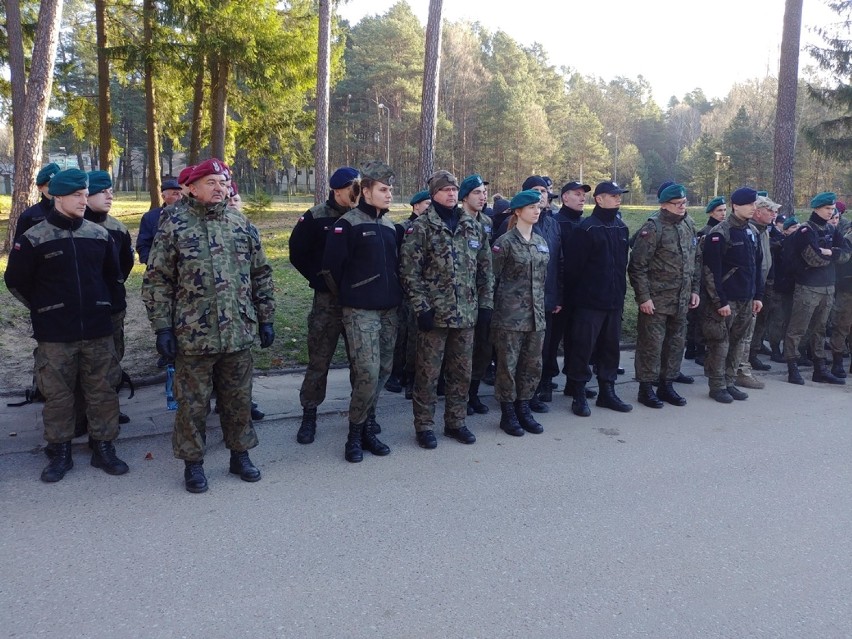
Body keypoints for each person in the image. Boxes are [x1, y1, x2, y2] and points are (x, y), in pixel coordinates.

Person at [142, 158, 275, 493]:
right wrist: (163, 329)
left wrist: (267, 317)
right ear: (194, 187)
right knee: (193, 404)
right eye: (212, 182)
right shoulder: (174, 224)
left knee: (238, 399)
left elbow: (260, 273)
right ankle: (194, 464)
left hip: (237, 331)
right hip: (194, 334)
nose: (220, 188)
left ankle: (240, 454)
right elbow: (158, 280)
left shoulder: (239, 223)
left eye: (224, 182)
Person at [5, 168, 129, 482]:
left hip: (97, 330)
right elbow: (17, 281)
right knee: (58, 396)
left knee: (102, 391)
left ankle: (103, 447)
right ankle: (60, 451)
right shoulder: (35, 237)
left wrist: (105, 306)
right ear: (57, 196)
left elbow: (113, 277)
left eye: (85, 194)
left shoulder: (99, 234)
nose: (83, 200)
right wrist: (45, 309)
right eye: (76, 195)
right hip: (56, 333)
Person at [400, 169, 494, 449]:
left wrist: (486, 305)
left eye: (454, 189)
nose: (452, 193)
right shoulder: (421, 227)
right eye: (445, 190)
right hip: (434, 316)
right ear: (434, 194)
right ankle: (424, 425)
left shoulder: (472, 225)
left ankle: (456, 421)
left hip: (466, 315)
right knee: (428, 374)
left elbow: (485, 269)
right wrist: (421, 307)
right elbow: (409, 272)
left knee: (461, 373)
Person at [321, 160, 401, 463]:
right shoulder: (348, 224)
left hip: (388, 311)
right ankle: (354, 435)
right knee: (366, 372)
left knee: (382, 371)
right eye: (383, 189)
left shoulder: (390, 225)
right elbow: (331, 269)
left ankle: (369, 427)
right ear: (366, 190)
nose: (389, 194)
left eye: (390, 189)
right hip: (360, 311)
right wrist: (353, 294)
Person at [288, 167, 360, 444]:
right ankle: (309, 414)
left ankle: (363, 415)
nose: (355, 193)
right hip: (327, 303)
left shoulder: (363, 216)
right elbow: (297, 253)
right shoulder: (315, 217)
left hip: (358, 302)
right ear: (337, 190)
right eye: (351, 188)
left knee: (361, 363)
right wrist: (320, 279)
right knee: (319, 361)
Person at [563, 181, 633, 416]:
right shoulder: (587, 229)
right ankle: (578, 391)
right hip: (589, 303)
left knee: (610, 348)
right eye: (613, 196)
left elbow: (622, 265)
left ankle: (607, 391)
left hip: (614, 300)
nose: (618, 199)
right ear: (599, 199)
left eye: (619, 195)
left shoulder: (621, 228)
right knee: (583, 348)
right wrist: (577, 301)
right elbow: (573, 269)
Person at [628, 183, 699, 408]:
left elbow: (695, 259)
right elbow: (637, 266)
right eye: (677, 204)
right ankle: (646, 388)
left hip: (682, 298)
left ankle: (667, 384)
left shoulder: (688, 224)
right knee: (652, 345)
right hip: (657, 300)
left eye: (684, 202)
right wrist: (644, 298)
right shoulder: (653, 229)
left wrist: (695, 290)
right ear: (664, 205)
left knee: (676, 343)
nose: (682, 207)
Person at [491, 190, 550, 436]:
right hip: (510, 317)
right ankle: (508, 413)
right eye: (531, 207)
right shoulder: (503, 243)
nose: (537, 211)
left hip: (536, 316)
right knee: (508, 366)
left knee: (532, 365)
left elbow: (543, 279)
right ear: (517, 211)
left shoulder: (541, 242)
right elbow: (492, 279)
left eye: (538, 207)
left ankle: (524, 407)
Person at [699, 187, 763, 403]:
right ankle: (717, 385)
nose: (754, 208)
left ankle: (730, 381)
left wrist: (758, 296)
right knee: (720, 343)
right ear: (736, 205)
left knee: (738, 343)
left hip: (746, 298)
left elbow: (757, 266)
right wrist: (720, 301)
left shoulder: (752, 232)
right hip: (727, 300)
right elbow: (710, 271)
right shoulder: (720, 232)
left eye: (755, 204)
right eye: (750, 204)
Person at [784, 192, 850, 385]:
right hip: (808, 287)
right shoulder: (806, 230)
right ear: (816, 208)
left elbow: (846, 253)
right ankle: (792, 367)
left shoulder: (831, 229)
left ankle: (819, 369)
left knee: (820, 329)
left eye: (832, 209)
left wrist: (829, 252)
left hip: (828, 286)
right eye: (827, 209)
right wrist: (833, 256)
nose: (831, 212)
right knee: (798, 329)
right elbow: (813, 259)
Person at [84, 171, 135, 424]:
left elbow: (124, 266)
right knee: (84, 363)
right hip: (81, 310)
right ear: (86, 194)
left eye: (110, 190)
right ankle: (82, 413)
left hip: (112, 307)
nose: (109, 195)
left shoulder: (118, 228)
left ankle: (110, 408)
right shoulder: (75, 226)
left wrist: (110, 289)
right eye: (102, 191)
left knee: (114, 357)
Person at [735, 195, 781, 389]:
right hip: (743, 289)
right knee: (741, 334)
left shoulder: (762, 231)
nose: (774, 214)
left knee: (751, 331)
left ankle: (746, 363)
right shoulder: (750, 230)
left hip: (758, 286)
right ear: (759, 212)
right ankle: (739, 371)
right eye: (769, 210)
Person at [458, 174, 494, 416]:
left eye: (484, 193)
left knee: (482, 348)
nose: (483, 197)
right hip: (459, 298)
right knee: (461, 353)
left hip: (481, 295)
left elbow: (487, 263)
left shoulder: (487, 222)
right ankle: (459, 397)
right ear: (464, 197)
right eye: (477, 193)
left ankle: (473, 393)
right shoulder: (457, 220)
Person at [391, 190, 431, 399]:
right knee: (401, 335)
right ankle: (395, 374)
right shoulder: (402, 229)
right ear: (415, 206)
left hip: (425, 291)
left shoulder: (432, 229)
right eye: (426, 204)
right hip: (404, 290)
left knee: (417, 337)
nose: (430, 207)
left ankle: (412, 376)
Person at [686, 197, 727, 366]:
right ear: (711, 212)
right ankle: (696, 349)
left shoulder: (723, 230)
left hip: (715, 279)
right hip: (703, 279)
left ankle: (696, 347)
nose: (723, 214)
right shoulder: (706, 232)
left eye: (725, 210)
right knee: (699, 316)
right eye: (719, 211)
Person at [136, 178, 183, 265]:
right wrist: (151, 263)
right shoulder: (151, 217)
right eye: (175, 194)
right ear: (163, 197)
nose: (180, 197)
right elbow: (143, 244)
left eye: (182, 194)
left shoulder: (190, 215)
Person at [14, 163, 60, 240]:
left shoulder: (74, 211)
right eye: (51, 185)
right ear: (40, 187)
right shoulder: (28, 217)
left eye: (59, 184)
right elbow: (20, 249)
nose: (56, 188)